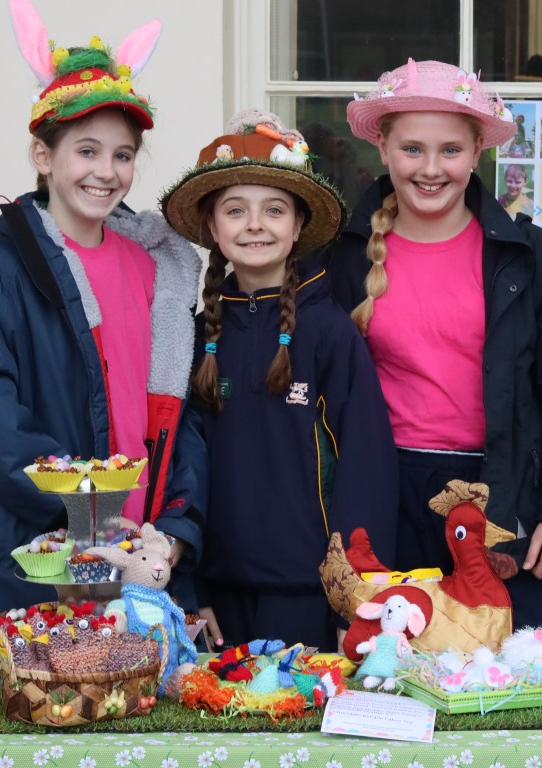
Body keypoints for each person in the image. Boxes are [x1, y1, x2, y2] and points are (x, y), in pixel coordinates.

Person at [0, 6, 202, 651]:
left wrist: (176, 529)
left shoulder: (157, 270)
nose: (106, 171)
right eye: (86, 150)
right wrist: (87, 514)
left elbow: (178, 417)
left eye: (123, 155)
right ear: (42, 156)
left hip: (140, 555)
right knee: (34, 718)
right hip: (39, 554)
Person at [322, 58, 542, 630]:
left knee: (517, 676)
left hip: (503, 500)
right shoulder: (342, 258)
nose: (431, 169)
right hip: (385, 499)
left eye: (450, 150)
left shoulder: (529, 259)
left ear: (478, 150)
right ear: (382, 149)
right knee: (392, 672)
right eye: (412, 149)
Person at [158, 110, 399, 651]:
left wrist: (351, 601)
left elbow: (366, 470)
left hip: (310, 602)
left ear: (296, 226)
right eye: (235, 210)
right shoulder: (196, 338)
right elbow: (180, 469)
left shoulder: (330, 334)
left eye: (273, 210)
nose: (254, 225)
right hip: (217, 602)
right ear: (213, 228)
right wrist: (191, 586)